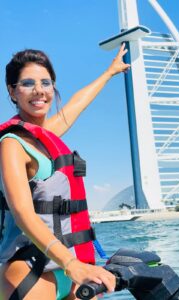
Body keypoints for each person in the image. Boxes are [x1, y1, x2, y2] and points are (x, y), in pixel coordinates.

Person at [0, 44, 130, 300]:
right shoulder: (12, 145)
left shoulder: (47, 137)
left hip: (70, 268)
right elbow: (23, 213)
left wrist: (110, 72)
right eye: (27, 83)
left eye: (45, 83)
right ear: (12, 91)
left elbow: (77, 104)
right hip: (31, 270)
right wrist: (72, 265)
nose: (39, 90)